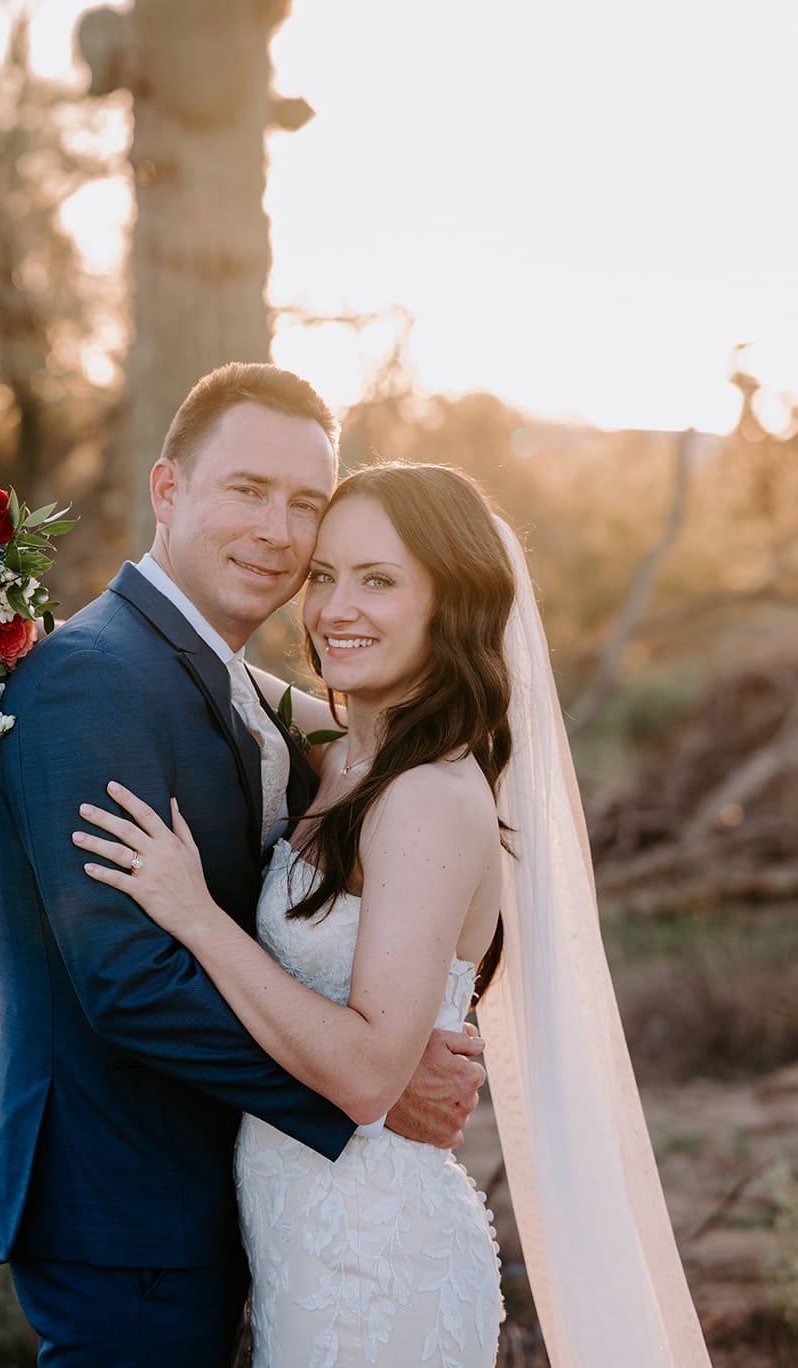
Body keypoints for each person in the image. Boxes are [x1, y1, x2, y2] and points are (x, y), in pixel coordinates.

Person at [75, 462, 712, 1367]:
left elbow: (373, 1074)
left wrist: (197, 917)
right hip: (307, 1243)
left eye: (378, 580)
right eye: (325, 575)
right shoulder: (344, 750)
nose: (336, 608)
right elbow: (199, 669)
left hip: (373, 1260)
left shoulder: (425, 795)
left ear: (448, 606)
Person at [0, 366, 486, 1368]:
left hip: (230, 1207)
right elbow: (127, 980)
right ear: (167, 491)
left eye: (305, 505)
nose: (277, 532)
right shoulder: (92, 678)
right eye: (247, 490)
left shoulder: (243, 688)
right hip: (127, 1206)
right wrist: (362, 1092)